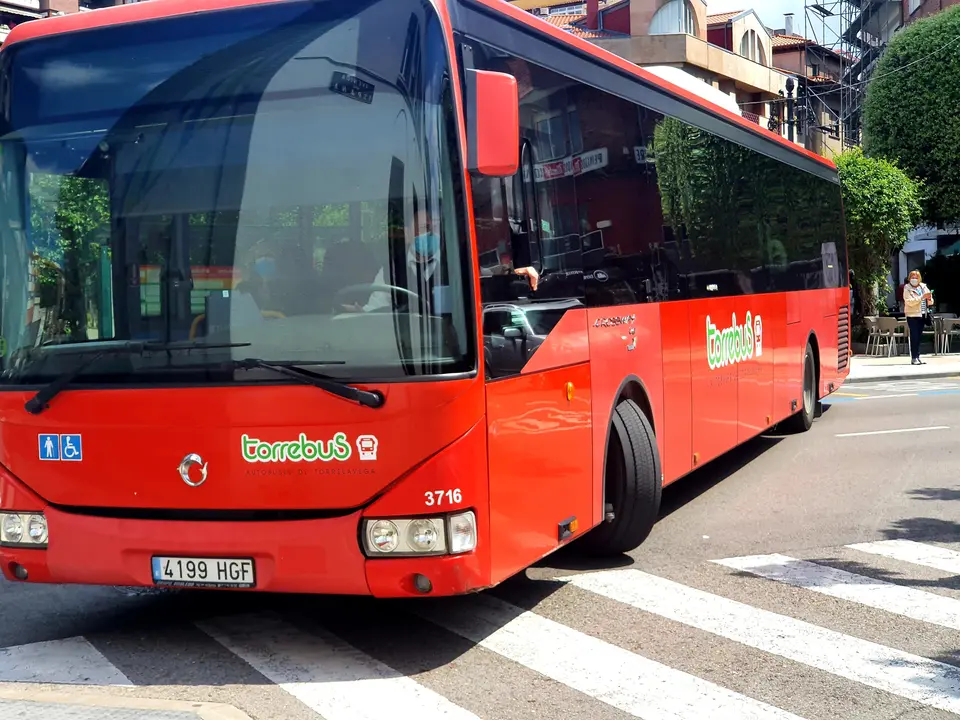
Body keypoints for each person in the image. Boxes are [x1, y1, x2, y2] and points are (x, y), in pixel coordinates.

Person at [903, 269, 933, 365]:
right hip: (912, 315)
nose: (914, 279)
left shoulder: (923, 287)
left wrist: (929, 298)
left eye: (916, 277)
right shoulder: (907, 288)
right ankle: (914, 357)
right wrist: (922, 297)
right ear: (909, 278)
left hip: (922, 314)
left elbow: (931, 301)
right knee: (914, 336)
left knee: (919, 336)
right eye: (912, 277)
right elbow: (909, 302)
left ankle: (918, 356)